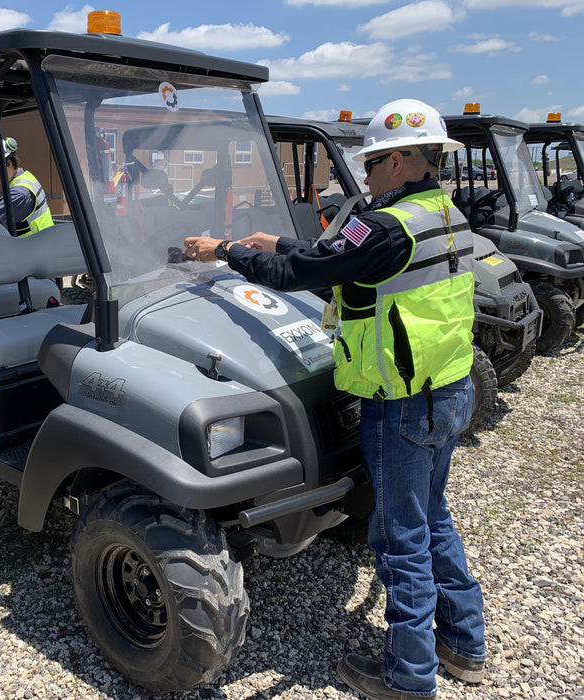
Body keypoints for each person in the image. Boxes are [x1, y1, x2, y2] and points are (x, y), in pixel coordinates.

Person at [184, 98, 486, 700]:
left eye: (373, 162)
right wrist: (282, 240)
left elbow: (304, 274)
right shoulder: (444, 212)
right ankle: (464, 643)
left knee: (400, 534)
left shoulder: (381, 225)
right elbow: (340, 259)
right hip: (449, 387)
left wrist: (225, 251)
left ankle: (409, 676)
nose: (366, 174)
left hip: (399, 402)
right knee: (433, 516)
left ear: (401, 161)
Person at [0, 137, 53, 236]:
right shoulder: (26, 178)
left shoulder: (19, 193)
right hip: (44, 243)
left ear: (9, 163)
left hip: (32, 249)